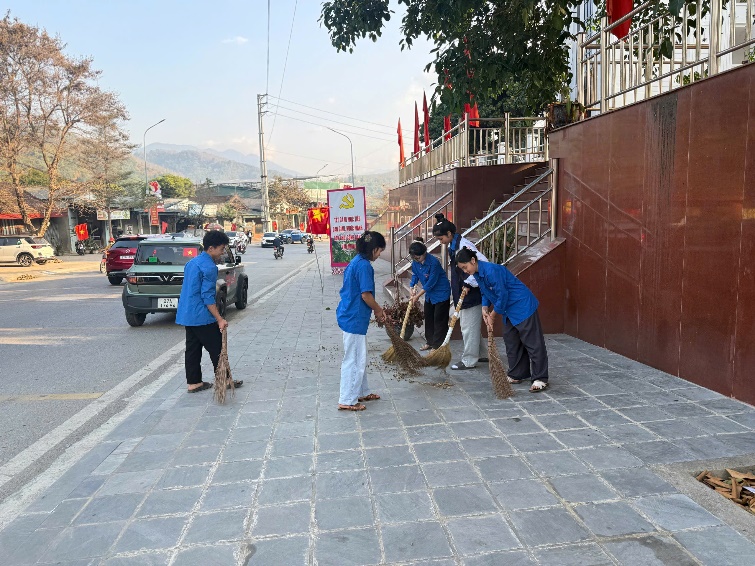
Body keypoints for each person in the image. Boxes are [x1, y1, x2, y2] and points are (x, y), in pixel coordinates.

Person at [455, 247, 549, 392]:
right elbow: (485, 292)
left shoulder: (491, 271)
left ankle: (540, 378)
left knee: (533, 343)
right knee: (512, 341)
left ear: (473, 260)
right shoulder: (477, 273)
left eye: (465, 267)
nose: (465, 271)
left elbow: (503, 295)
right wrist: (484, 308)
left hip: (521, 305)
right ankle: (517, 374)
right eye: (462, 269)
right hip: (508, 309)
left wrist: (492, 315)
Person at [176, 231, 243, 393]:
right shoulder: (209, 267)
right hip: (201, 316)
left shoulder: (192, 263)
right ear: (211, 248)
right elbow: (207, 297)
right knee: (217, 348)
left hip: (187, 314)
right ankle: (224, 380)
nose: (222, 252)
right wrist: (219, 319)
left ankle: (194, 383)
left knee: (192, 349)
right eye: (221, 249)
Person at [336, 231, 387, 411]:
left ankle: (362, 391)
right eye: (379, 251)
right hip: (354, 317)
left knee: (359, 356)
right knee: (354, 359)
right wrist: (378, 310)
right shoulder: (364, 266)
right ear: (373, 249)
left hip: (350, 314)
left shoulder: (356, 261)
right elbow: (366, 295)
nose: (379, 255)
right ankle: (347, 399)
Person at [432, 213, 488, 370]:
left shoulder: (464, 246)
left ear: (449, 233)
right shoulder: (454, 246)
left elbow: (482, 263)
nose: (441, 242)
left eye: (441, 238)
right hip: (463, 293)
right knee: (471, 326)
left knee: (468, 327)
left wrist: (469, 283)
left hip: (472, 295)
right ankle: (482, 354)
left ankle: (469, 360)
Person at [409, 241, 451, 351]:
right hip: (430, 295)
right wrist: (411, 288)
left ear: (424, 253)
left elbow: (431, 283)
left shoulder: (434, 262)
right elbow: (415, 275)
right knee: (429, 318)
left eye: (418, 257)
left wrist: (417, 296)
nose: (416, 260)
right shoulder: (415, 262)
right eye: (414, 258)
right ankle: (430, 342)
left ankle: (437, 346)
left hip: (441, 293)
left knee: (439, 320)